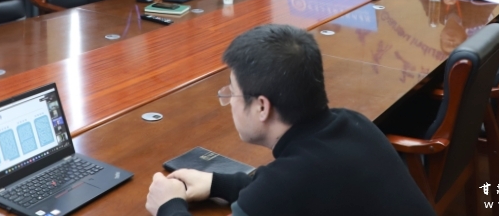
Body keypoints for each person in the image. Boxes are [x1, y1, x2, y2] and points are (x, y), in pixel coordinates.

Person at [145, 24, 436, 216]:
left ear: (262, 107)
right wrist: (216, 183)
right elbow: (295, 188)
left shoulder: (286, 183)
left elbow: (283, 189)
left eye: (232, 93)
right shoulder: (354, 124)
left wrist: (168, 205)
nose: (229, 102)